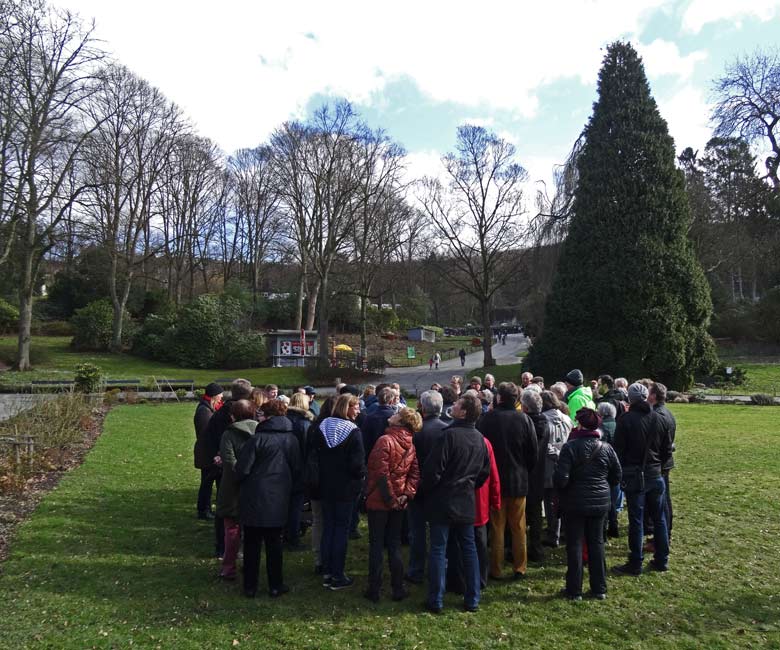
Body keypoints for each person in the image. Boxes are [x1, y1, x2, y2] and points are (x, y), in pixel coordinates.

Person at [418, 393, 490, 613]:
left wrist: (425, 491)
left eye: (458, 404)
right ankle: (472, 597)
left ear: (464, 412)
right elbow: (482, 473)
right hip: (466, 499)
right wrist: (468, 486)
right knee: (468, 548)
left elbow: (432, 471)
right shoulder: (479, 438)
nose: (454, 405)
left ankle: (436, 598)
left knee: (439, 548)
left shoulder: (448, 436)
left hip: (444, 498)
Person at [234, 399, 302, 598]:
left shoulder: (257, 439)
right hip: (279, 495)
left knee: (252, 543)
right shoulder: (292, 439)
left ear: (269, 416)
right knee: (274, 543)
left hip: (255, 494)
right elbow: (297, 469)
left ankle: (250, 586)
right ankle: (275, 584)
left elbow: (243, 469)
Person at [554, 407, 621, 601]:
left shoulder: (570, 447)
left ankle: (574, 589)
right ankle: (599, 587)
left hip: (575, 502)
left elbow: (561, 479)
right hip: (600, 502)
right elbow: (616, 475)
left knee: (574, 544)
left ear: (581, 425)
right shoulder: (607, 448)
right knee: (596, 543)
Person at [477, 382, 537, 580]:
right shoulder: (524, 420)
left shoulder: (487, 419)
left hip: (494, 480)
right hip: (518, 479)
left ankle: (496, 568)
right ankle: (520, 567)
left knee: (497, 526)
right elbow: (532, 452)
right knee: (519, 526)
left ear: (499, 398)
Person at [613, 383, 672, 575]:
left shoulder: (626, 420)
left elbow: (618, 451)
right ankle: (662, 559)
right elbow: (666, 451)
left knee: (637, 520)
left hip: (635, 474)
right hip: (656, 474)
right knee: (659, 518)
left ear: (630, 399)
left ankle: (636, 561)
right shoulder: (659, 418)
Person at [364, 407, 422, 602]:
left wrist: (392, 498)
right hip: (398, 501)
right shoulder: (410, 444)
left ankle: (374, 588)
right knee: (394, 543)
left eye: (398, 413)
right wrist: (405, 495)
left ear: (401, 421)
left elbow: (380, 473)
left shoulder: (385, 441)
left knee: (377, 544)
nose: (394, 413)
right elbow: (414, 474)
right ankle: (398, 587)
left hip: (381, 499)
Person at [310, 394, 366, 590]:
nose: (358, 410)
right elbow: (357, 465)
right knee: (341, 530)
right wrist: (362, 477)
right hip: (346, 487)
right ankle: (337, 574)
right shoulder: (353, 432)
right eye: (356, 407)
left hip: (325, 485)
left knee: (328, 527)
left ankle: (326, 570)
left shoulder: (321, 427)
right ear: (347, 408)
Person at [204, 378, 253, 559]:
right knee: (232, 511)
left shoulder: (220, 412)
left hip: (225, 465)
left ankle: (224, 548)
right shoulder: (246, 412)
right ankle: (229, 548)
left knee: (226, 511)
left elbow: (210, 436)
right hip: (237, 467)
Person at [406, 390, 448, 584]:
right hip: (440, 487)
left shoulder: (417, 431)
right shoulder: (447, 429)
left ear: (422, 407)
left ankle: (416, 569)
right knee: (438, 534)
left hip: (419, 486)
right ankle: (440, 566)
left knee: (418, 531)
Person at [215, 399, 257, 581]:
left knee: (231, 529)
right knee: (253, 530)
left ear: (233, 415)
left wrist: (239, 473)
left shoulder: (228, 434)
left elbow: (228, 459)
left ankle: (228, 567)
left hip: (232, 485)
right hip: (255, 484)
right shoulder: (261, 430)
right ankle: (250, 566)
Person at [305, 395, 338, 574]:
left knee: (319, 519)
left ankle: (319, 557)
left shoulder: (313, 427)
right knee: (329, 520)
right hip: (328, 480)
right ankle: (328, 557)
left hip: (315, 480)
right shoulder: (335, 428)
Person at [522, 388, 551, 563]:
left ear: (525, 408)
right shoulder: (545, 422)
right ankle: (536, 546)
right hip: (539, 471)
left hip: (526, 471)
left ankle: (522, 547)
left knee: (523, 514)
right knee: (535, 513)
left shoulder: (526, 424)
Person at [541, 390, 572, 547]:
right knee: (561, 498)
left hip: (549, 464)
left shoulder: (543, 420)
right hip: (565, 463)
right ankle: (562, 530)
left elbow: (544, 445)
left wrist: (556, 452)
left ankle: (554, 534)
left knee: (550, 500)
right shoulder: (567, 418)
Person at [285, 392, 314, 549]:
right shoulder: (305, 424)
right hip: (299, 468)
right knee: (296, 505)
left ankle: (285, 533)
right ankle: (293, 537)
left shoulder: (285, 419)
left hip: (284, 466)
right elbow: (306, 449)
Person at [649, 382, 676, 540]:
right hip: (664, 462)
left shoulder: (657, 415)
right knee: (664, 500)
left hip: (659, 464)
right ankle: (664, 534)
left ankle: (663, 536)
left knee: (661, 503)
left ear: (653, 395)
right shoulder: (668, 413)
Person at [194, 382, 223, 519]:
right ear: (214, 395)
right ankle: (203, 510)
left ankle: (208, 509)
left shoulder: (209, 408)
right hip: (207, 453)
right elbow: (207, 434)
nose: (222, 396)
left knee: (209, 482)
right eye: (220, 394)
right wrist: (216, 453)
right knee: (206, 483)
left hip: (209, 452)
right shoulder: (204, 411)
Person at [598, 401, 621, 538]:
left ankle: (604, 529)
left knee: (606, 500)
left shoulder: (602, 428)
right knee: (613, 498)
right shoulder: (618, 425)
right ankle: (614, 525)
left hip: (605, 466)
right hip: (617, 465)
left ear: (602, 414)